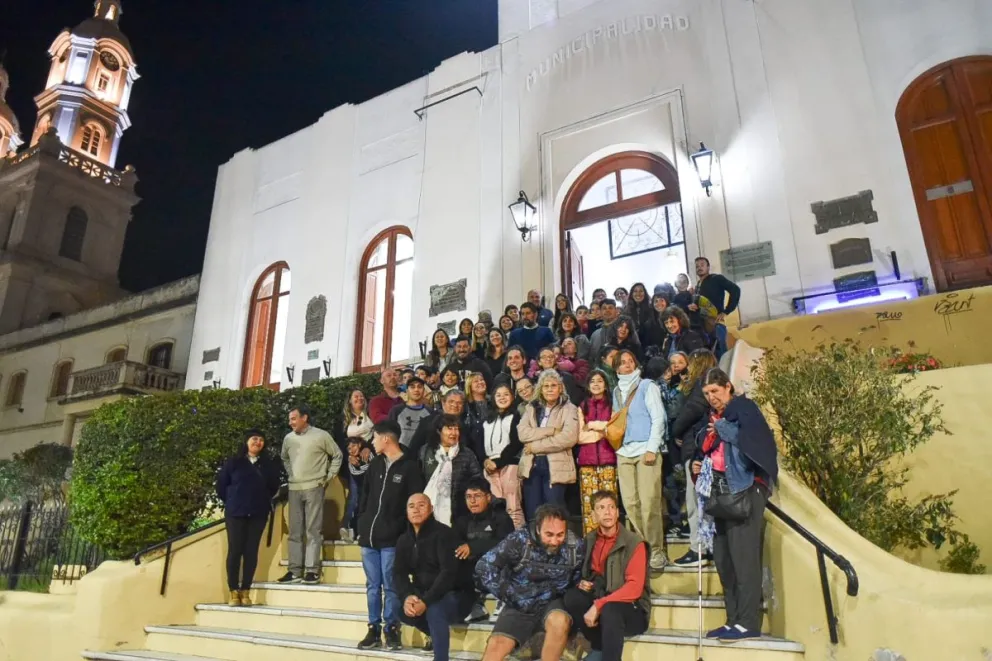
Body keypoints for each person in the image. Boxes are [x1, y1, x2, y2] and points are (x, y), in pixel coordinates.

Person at [692, 368, 778, 642]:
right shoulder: (715, 418)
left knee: (744, 560)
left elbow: (753, 445)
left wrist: (722, 427)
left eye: (715, 391)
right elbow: (708, 446)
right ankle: (733, 620)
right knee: (725, 560)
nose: (711, 398)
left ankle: (748, 622)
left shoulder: (744, 408)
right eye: (707, 394)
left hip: (745, 492)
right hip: (721, 495)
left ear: (728, 387)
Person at [476, 504, 584, 661]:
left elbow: (577, 578)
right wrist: (510, 595)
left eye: (560, 534)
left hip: (553, 602)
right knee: (496, 646)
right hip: (520, 601)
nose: (555, 541)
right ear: (538, 529)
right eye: (549, 534)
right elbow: (484, 566)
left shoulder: (576, 547)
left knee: (560, 622)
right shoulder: (519, 540)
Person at [357, 421, 426, 650]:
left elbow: (415, 503)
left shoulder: (410, 467)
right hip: (369, 537)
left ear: (386, 438)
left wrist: (407, 535)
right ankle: (374, 628)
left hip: (393, 539)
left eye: (374, 437)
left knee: (392, 585)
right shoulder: (375, 464)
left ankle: (392, 628)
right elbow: (364, 498)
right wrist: (362, 524)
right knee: (372, 586)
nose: (372, 442)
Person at [562, 491, 650, 661]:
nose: (608, 512)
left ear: (617, 512)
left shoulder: (634, 543)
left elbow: (634, 588)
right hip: (603, 599)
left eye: (611, 507)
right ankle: (599, 647)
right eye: (601, 508)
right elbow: (587, 574)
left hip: (633, 609)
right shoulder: (589, 540)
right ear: (594, 516)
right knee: (573, 597)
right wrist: (585, 583)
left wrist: (599, 605)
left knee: (610, 609)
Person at [395, 493, 477, 660]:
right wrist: (407, 596)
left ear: (431, 509)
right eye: (411, 506)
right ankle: (435, 633)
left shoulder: (444, 534)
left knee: (434, 610)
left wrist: (425, 601)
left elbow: (448, 574)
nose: (416, 510)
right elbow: (399, 572)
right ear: (406, 511)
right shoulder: (404, 540)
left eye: (421, 505)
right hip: (426, 592)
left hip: (456, 593)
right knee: (398, 609)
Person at [612, 350, 668, 570]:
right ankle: (640, 546)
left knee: (649, 503)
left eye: (630, 361)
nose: (627, 365)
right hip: (624, 453)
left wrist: (652, 448)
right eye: (622, 363)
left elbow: (658, 417)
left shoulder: (647, 386)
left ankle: (656, 550)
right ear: (616, 368)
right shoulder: (616, 390)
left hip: (646, 449)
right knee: (631, 504)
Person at [217, 428, 282, 606]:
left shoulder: (268, 465)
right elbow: (221, 486)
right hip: (235, 513)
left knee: (251, 552)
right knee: (235, 551)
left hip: (258, 513)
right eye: (254, 439)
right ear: (246, 442)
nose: (257, 442)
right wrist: (233, 500)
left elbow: (273, 487)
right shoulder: (234, 463)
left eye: (261, 440)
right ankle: (233, 591)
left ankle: (246, 590)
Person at [279, 405, 342, 585]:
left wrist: (329, 476)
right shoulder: (288, 439)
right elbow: (284, 458)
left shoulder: (321, 435)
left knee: (313, 530)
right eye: (290, 419)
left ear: (304, 418)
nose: (290, 422)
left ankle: (312, 570)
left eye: (293, 418)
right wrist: (291, 474)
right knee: (295, 531)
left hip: (315, 486)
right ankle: (294, 571)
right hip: (294, 488)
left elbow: (337, 455)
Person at [670, 349, 718, 567]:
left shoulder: (701, 387)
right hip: (703, 451)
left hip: (696, 451)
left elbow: (687, 414)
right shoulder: (710, 386)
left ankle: (698, 549)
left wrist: (676, 433)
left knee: (694, 502)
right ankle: (706, 547)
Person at [517, 369, 579, 520]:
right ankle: (535, 543)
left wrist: (535, 446)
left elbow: (568, 438)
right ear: (540, 389)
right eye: (546, 386)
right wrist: (550, 430)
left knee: (554, 511)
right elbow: (522, 433)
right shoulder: (531, 408)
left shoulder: (569, 408)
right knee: (533, 513)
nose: (550, 389)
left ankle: (559, 543)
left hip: (555, 466)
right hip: (531, 465)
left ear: (560, 388)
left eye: (553, 385)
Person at [453, 478, 515, 622]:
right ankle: (475, 606)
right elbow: (454, 543)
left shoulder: (501, 518)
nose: (472, 501)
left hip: (498, 569)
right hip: (473, 571)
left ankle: (503, 601)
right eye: (469, 497)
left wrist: (473, 547)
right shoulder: (462, 521)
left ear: (488, 497)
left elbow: (506, 544)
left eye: (477, 496)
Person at [420, 414, 482, 526]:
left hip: (459, 513)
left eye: (456, 429)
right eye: (449, 428)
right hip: (429, 510)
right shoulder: (426, 451)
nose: (454, 433)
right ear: (439, 431)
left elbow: (477, 480)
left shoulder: (467, 454)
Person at [478, 383, 525, 529]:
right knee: (495, 507)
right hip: (489, 467)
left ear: (512, 397)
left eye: (506, 394)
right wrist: (485, 461)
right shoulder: (486, 420)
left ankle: (519, 540)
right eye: (498, 395)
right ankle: (500, 541)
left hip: (509, 465)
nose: (502, 398)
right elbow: (479, 443)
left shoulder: (516, 416)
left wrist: (498, 462)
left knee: (513, 506)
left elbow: (516, 443)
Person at [576, 370, 616, 534]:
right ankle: (591, 544)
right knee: (590, 507)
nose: (596, 384)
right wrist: (603, 430)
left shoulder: (613, 404)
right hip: (587, 463)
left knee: (609, 506)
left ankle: (612, 542)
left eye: (599, 381)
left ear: (605, 385)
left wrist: (591, 425)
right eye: (592, 381)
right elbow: (579, 437)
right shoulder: (583, 406)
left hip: (608, 461)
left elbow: (614, 431)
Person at [660, 352, 689, 538]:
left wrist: (681, 432)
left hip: (683, 438)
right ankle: (676, 519)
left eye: (680, 362)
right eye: (672, 363)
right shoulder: (661, 386)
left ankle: (688, 521)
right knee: (670, 481)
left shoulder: (689, 385)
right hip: (667, 440)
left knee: (684, 479)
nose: (676, 365)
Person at [341, 389, 375, 542]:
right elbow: (339, 441)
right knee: (355, 495)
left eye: (362, 395)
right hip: (354, 463)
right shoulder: (344, 419)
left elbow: (378, 434)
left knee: (370, 495)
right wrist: (349, 455)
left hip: (371, 460)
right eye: (355, 396)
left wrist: (368, 447)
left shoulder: (371, 415)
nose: (359, 398)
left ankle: (364, 529)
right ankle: (348, 527)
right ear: (349, 401)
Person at [693, 257, 741, 357]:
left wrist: (726, 311)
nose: (699, 268)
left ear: (708, 267)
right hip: (703, 328)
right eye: (697, 266)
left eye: (702, 265)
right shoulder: (697, 287)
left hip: (717, 325)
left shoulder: (716, 279)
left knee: (720, 355)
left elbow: (735, 290)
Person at [407, 389, 467, 459]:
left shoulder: (465, 427)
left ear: (463, 407)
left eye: (459, 403)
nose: (455, 405)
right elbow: (414, 447)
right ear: (443, 403)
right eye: (451, 401)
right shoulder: (428, 422)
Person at [389, 377, 434, 448]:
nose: (416, 390)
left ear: (424, 391)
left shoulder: (430, 411)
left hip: (423, 455)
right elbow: (389, 433)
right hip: (402, 454)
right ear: (407, 391)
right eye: (412, 387)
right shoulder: (396, 410)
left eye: (419, 387)